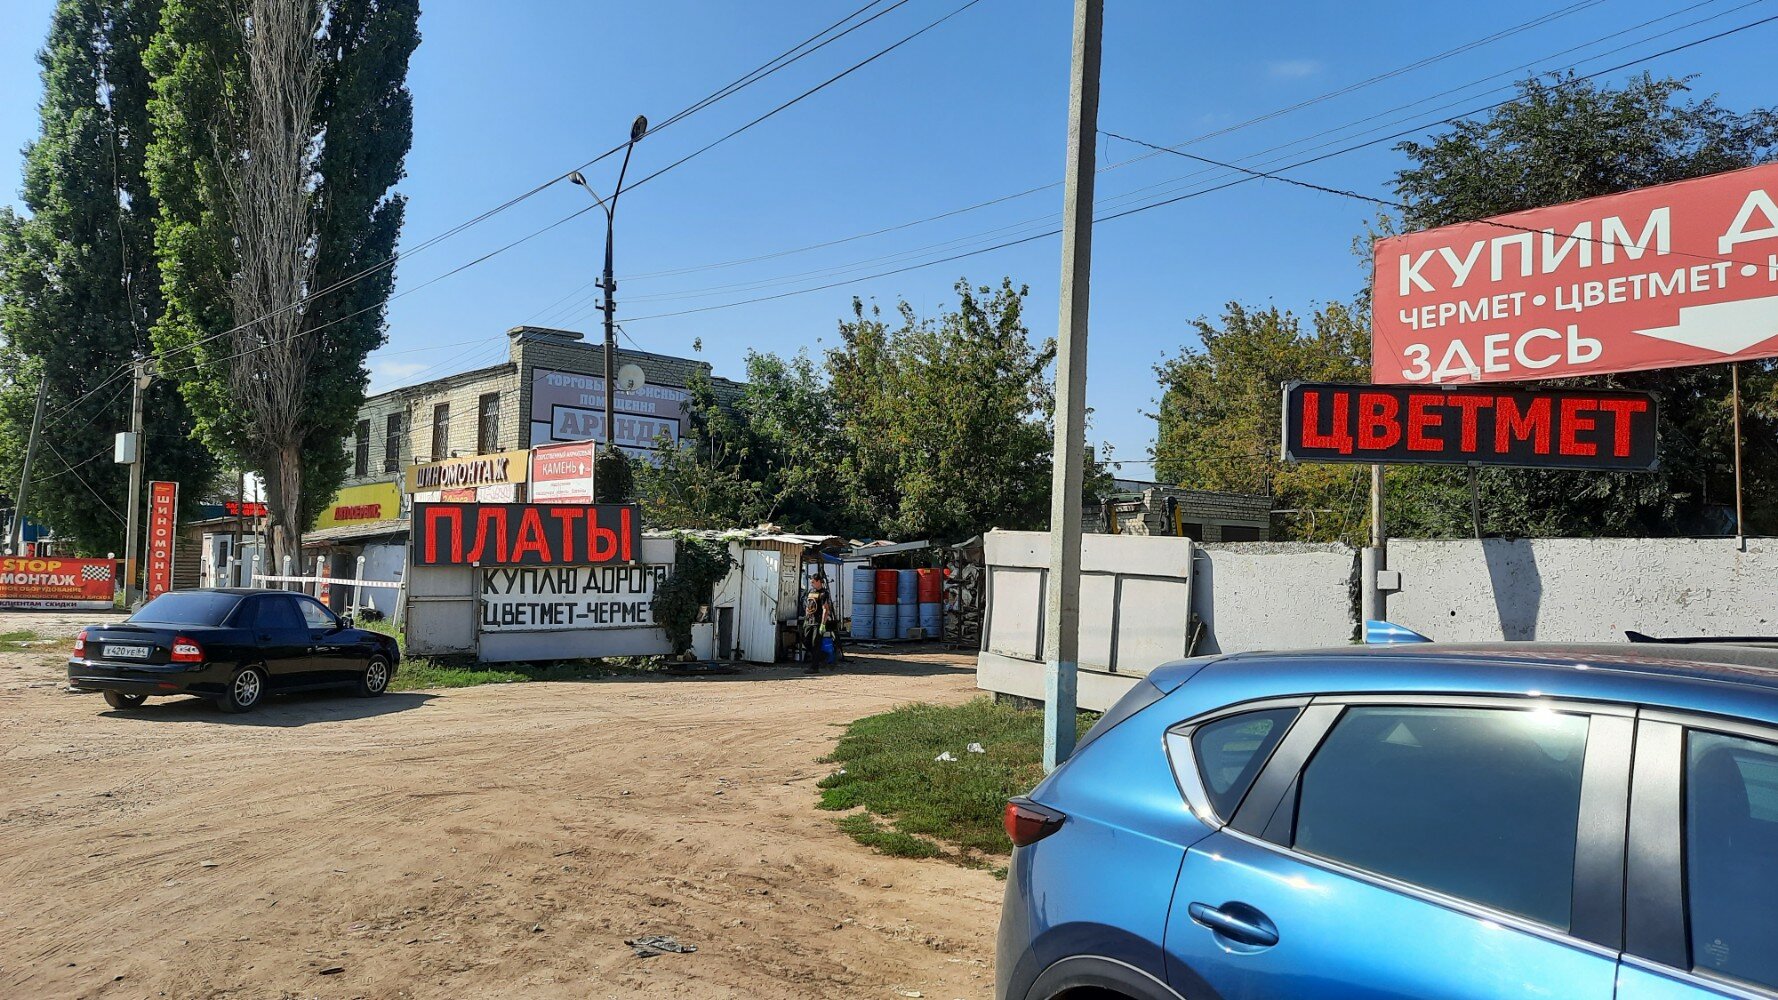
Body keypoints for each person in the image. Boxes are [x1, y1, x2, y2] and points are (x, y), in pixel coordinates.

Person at [802, 573, 840, 673]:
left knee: (816, 644)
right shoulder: (810, 591)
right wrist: (806, 617)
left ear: (819, 581)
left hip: (818, 622)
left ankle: (814, 667)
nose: (812, 584)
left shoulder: (823, 593)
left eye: (813, 582)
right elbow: (808, 605)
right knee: (805, 641)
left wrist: (823, 624)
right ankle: (822, 655)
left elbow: (825, 609)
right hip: (809, 621)